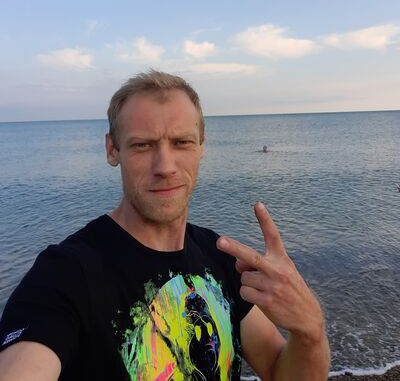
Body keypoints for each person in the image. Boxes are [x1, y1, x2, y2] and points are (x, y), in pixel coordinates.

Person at [0, 70, 330, 380]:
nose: (165, 166)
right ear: (112, 150)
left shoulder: (219, 257)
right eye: (143, 145)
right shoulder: (66, 273)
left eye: (181, 142)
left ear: (201, 146)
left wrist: (309, 330)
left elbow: (278, 370)